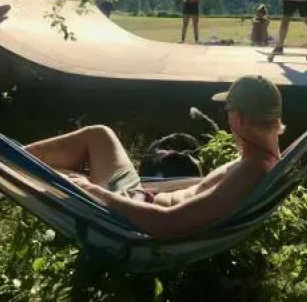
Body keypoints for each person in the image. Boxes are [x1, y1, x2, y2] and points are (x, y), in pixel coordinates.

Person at [25, 75, 283, 239]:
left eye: (228, 111)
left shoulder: (251, 170)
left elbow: (167, 222)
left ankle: (8, 160)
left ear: (238, 119)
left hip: (132, 217)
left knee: (82, 154)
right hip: (142, 197)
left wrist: (96, 192)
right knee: (98, 138)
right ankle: (12, 158)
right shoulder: (263, 161)